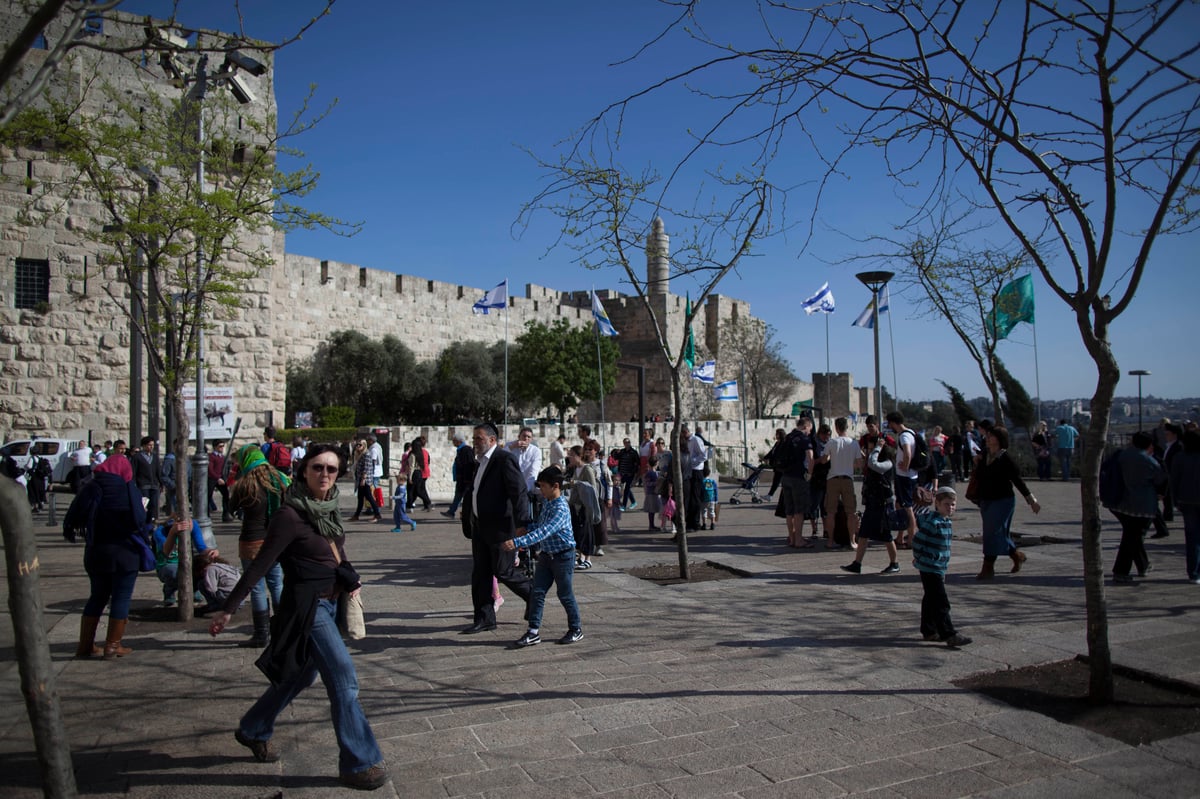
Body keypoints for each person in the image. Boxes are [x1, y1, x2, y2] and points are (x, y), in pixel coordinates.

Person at [209, 444, 389, 791]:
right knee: (344, 680)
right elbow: (261, 564)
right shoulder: (289, 516)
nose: (324, 475)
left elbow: (336, 551)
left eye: (332, 469)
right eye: (318, 468)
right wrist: (229, 608)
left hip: (332, 603)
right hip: (308, 609)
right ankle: (358, 762)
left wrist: (347, 576)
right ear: (304, 471)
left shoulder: (330, 506)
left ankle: (253, 728)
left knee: (300, 678)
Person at [62, 455, 147, 659]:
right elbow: (139, 520)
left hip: (96, 552)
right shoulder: (127, 489)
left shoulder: (90, 488)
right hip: (124, 552)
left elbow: (73, 518)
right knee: (121, 597)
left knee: (97, 597)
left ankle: (85, 646)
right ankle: (112, 645)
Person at [461, 422, 533, 634]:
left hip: (501, 528)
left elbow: (518, 491)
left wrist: (522, 523)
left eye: (479, 439)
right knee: (481, 574)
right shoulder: (480, 462)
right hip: (480, 527)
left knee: (504, 571)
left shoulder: (504, 459)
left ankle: (533, 594)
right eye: (474, 439)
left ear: (492, 440)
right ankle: (484, 618)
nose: (475, 443)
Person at [503, 466, 583, 647]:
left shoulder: (561, 508)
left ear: (555, 486)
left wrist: (518, 542)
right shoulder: (547, 502)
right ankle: (533, 632)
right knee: (537, 592)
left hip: (563, 556)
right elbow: (540, 525)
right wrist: (527, 528)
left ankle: (576, 628)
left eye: (543, 486)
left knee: (565, 594)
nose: (540, 490)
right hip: (547, 556)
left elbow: (544, 532)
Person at [229, 443, 290, 648]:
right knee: (277, 584)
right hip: (273, 540)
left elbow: (230, 509)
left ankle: (261, 634)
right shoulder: (278, 479)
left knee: (255, 588)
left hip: (251, 541)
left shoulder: (244, 484)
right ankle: (283, 629)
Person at [972, 425, 1041, 579]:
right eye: (988, 436)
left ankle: (988, 567)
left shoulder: (1005, 458)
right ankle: (1016, 555)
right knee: (997, 532)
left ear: (1000, 439)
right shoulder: (984, 455)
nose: (988, 438)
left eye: (992, 436)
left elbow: (1017, 480)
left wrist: (1031, 500)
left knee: (992, 532)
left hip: (1003, 500)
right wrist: (976, 462)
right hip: (986, 500)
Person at [912, 487, 972, 647]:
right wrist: (919, 557)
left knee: (930, 599)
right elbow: (917, 541)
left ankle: (929, 630)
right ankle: (948, 633)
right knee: (940, 601)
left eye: (953, 504)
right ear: (937, 504)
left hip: (938, 567)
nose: (950, 507)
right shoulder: (933, 522)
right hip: (929, 567)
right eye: (946, 504)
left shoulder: (946, 522)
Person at [1106, 431, 1167, 584]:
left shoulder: (1121, 455)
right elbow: (1161, 478)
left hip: (1120, 503)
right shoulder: (1148, 460)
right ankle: (1121, 571)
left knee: (1132, 535)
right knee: (1132, 537)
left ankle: (1143, 565)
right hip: (1142, 505)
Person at [841, 434, 899, 575]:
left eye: (871, 446)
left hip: (882, 504)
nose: (869, 449)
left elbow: (873, 464)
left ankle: (894, 563)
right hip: (872, 502)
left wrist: (877, 448)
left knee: (886, 535)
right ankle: (857, 563)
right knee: (864, 533)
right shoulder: (874, 457)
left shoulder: (887, 462)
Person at [153, 514, 217, 606]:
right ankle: (169, 589)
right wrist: (172, 533)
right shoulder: (160, 531)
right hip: (167, 563)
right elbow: (167, 552)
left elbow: (201, 547)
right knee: (173, 572)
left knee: (204, 567)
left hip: (187, 560)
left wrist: (211, 552)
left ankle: (194, 589)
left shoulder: (193, 525)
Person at [821, 417, 861, 549]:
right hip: (847, 478)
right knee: (851, 512)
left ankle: (830, 540)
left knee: (831, 512)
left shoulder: (832, 442)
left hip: (833, 478)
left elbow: (824, 460)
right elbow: (859, 463)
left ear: (836, 428)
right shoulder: (854, 443)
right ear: (847, 427)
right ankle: (852, 540)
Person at [1168, 430, 1200, 584]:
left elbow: (1174, 480)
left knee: (1191, 537)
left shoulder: (1179, 458)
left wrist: (1175, 501)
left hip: (1186, 500)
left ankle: (1193, 572)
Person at [780, 417, 815, 548]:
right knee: (799, 510)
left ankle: (792, 537)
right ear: (806, 426)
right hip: (798, 477)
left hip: (786, 476)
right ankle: (799, 540)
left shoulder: (788, 437)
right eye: (809, 430)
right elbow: (810, 458)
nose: (809, 433)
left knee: (789, 511)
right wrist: (810, 474)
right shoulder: (804, 439)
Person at [886, 412, 919, 549]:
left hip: (905, 477)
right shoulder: (911, 433)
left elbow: (907, 452)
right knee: (900, 505)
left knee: (908, 508)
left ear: (894, 423)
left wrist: (905, 465)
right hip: (907, 476)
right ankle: (900, 537)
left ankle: (911, 539)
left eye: (889, 423)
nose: (889, 426)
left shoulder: (904, 436)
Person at [565, 445, 599, 568]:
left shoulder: (587, 469)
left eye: (572, 455)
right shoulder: (576, 469)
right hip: (576, 505)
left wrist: (578, 483)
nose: (570, 458)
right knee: (578, 531)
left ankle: (588, 559)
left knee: (587, 531)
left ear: (579, 456)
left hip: (586, 506)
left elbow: (593, 488)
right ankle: (580, 556)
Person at [131, 435, 162, 523]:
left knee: (153, 504)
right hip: (143, 485)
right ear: (144, 446)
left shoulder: (155, 457)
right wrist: (134, 483)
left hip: (154, 485)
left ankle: (150, 522)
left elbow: (158, 470)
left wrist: (161, 483)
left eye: (152, 445)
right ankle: (143, 522)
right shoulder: (137, 457)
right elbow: (134, 471)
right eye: (149, 445)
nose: (151, 447)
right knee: (145, 504)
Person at [350, 438, 382, 522]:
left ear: (364, 446)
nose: (357, 446)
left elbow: (366, 468)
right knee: (360, 498)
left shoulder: (367, 454)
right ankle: (356, 515)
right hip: (361, 479)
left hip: (366, 480)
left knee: (369, 497)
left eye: (359, 445)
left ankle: (377, 514)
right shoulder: (360, 455)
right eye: (357, 445)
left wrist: (363, 479)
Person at [442, 434, 474, 518]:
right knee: (458, 496)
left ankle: (465, 514)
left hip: (465, 480)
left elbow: (469, 464)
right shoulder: (461, 450)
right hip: (462, 479)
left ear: (459, 441)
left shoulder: (466, 450)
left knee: (466, 498)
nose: (453, 442)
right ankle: (451, 512)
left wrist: (467, 478)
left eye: (454, 441)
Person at [407, 437, 433, 512]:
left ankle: (411, 505)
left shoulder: (413, 454)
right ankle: (426, 503)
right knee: (419, 490)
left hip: (415, 473)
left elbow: (411, 467)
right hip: (421, 473)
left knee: (412, 490)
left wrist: (409, 477)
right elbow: (427, 462)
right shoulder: (422, 453)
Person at [209, 440, 231, 522]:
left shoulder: (222, 457)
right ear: (215, 447)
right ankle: (206, 515)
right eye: (220, 446)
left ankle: (226, 514)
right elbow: (210, 470)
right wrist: (217, 478)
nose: (222, 448)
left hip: (221, 478)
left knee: (226, 495)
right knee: (208, 496)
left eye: (223, 446)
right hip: (212, 478)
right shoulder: (211, 457)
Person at [616, 437, 640, 510]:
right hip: (622, 473)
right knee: (624, 488)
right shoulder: (622, 451)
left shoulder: (633, 452)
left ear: (630, 443)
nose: (626, 444)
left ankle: (624, 506)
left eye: (627, 442)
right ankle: (633, 502)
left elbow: (637, 463)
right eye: (625, 443)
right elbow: (616, 458)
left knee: (626, 489)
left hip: (630, 474)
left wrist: (635, 473)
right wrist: (616, 452)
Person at [642, 458, 662, 530]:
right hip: (651, 493)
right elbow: (647, 483)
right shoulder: (650, 473)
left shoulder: (655, 472)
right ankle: (651, 525)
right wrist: (655, 483)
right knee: (651, 510)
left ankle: (652, 525)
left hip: (654, 493)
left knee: (652, 510)